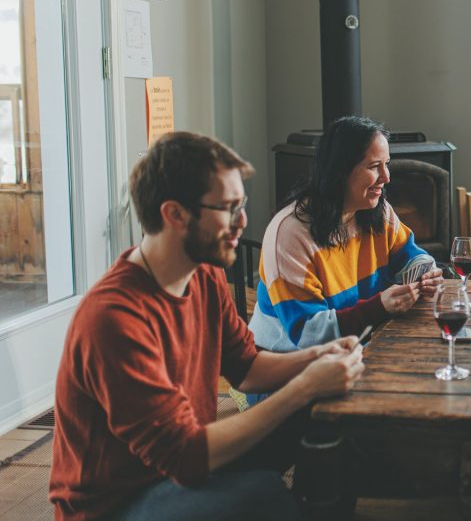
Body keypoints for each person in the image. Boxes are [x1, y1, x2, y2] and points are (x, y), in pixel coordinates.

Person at [49, 132, 366, 521]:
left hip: (188, 467)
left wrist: (317, 357)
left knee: (335, 423)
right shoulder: (114, 318)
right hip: (118, 502)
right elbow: (187, 456)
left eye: (241, 204)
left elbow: (246, 368)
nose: (243, 221)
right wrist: (304, 386)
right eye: (228, 207)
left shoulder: (204, 275)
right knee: (262, 497)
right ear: (175, 215)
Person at [248, 116, 444, 357]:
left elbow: (411, 256)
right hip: (286, 367)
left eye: (387, 164)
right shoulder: (290, 234)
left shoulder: (377, 211)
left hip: (355, 350)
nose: (386, 177)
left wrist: (426, 274)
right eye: (374, 167)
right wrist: (378, 308)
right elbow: (308, 334)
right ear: (340, 171)